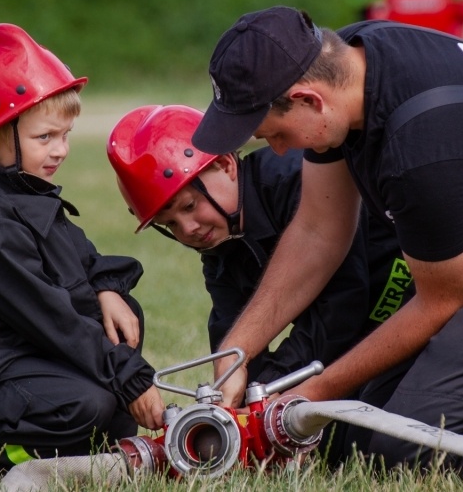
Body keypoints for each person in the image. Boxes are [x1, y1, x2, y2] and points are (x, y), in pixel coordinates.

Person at [189, 5, 463, 469]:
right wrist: (236, 354)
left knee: (410, 449)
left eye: (275, 134)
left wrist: (303, 401)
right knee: (356, 433)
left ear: (309, 99)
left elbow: (442, 300)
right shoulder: (353, 57)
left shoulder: (420, 150)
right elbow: (318, 232)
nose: (279, 150)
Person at [0, 23, 165, 485]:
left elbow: (76, 257)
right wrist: (131, 380)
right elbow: (54, 319)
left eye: (65, 134)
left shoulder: (18, 189)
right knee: (88, 405)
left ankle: (85, 439)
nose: (61, 150)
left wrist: (107, 287)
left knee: (116, 332)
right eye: (46, 137)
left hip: (10, 348)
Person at [107, 104, 413, 389]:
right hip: (357, 337)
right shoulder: (222, 243)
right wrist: (234, 394)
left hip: (407, 303)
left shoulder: (296, 182)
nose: (188, 229)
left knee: (376, 439)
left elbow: (341, 306)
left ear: (226, 164)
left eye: (189, 206)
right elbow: (231, 326)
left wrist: (270, 386)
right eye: (170, 223)